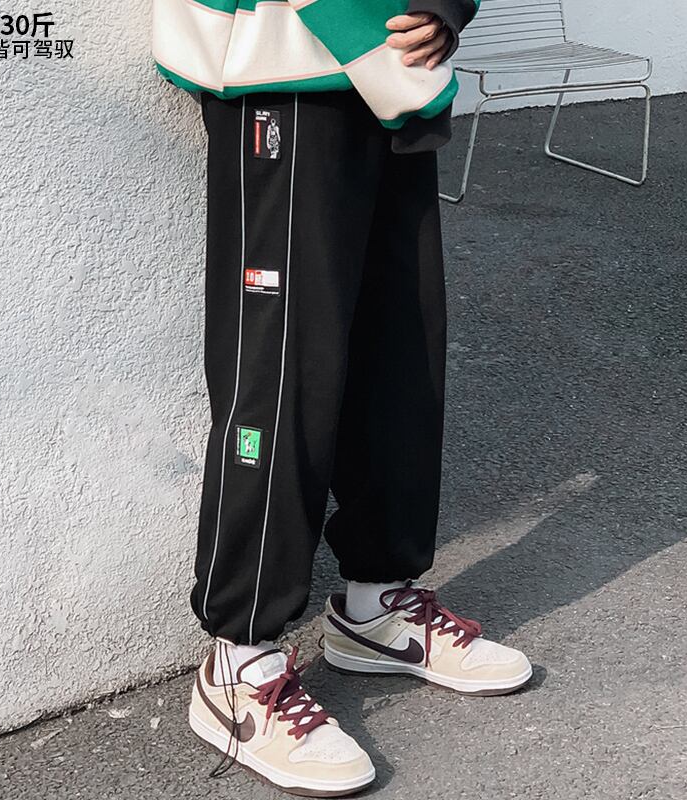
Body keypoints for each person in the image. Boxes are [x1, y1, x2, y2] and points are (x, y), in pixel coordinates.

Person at [152, 0, 532, 794]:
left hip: (389, 66)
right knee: (281, 372)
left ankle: (375, 607)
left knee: (400, 350)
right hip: (286, 59)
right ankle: (238, 662)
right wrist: (372, 37)